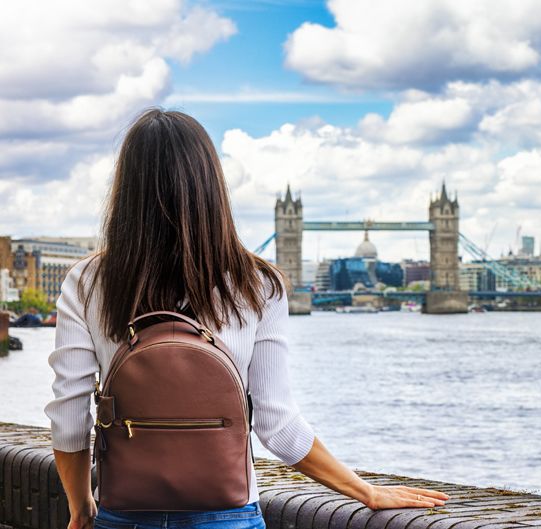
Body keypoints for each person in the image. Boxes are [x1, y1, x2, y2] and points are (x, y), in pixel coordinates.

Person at [44, 109, 449, 529]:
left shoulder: (87, 282)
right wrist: (365, 491)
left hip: (123, 513)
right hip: (229, 513)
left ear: (125, 189)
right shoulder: (258, 283)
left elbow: (69, 422)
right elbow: (277, 424)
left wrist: (81, 506)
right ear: (211, 185)